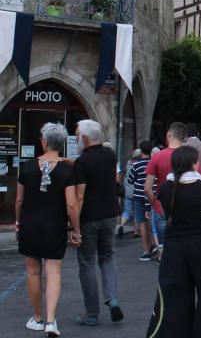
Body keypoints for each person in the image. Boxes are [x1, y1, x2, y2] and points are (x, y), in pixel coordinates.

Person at [146, 146, 201, 338]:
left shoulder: (166, 188)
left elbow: (168, 214)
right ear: (194, 164)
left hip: (174, 247)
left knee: (174, 294)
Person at [15, 123, 80, 337]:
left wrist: (17, 221)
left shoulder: (25, 167)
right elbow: (71, 205)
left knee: (33, 272)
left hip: (30, 224)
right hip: (55, 225)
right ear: (62, 144)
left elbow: (18, 200)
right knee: (54, 272)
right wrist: (75, 228)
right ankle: (51, 321)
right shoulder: (67, 170)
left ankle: (37, 318)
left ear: (44, 141)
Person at [74, 119, 123, 326]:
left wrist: (74, 226)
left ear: (84, 138)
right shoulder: (110, 156)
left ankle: (92, 313)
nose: (76, 138)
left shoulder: (82, 162)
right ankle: (112, 298)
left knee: (87, 263)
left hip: (89, 218)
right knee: (108, 258)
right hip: (110, 214)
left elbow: (79, 197)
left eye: (76, 135)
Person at [145, 122, 188, 261]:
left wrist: (154, 203)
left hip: (162, 205)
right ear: (184, 137)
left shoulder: (157, 157)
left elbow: (147, 188)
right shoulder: (190, 157)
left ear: (169, 135)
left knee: (164, 245)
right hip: (183, 206)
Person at [128, 140, 155, 261]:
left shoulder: (136, 165)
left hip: (139, 197)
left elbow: (130, 180)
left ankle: (146, 250)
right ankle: (155, 244)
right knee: (151, 221)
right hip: (151, 196)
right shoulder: (154, 163)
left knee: (142, 223)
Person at [117, 149, 141, 239]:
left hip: (128, 190)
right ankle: (136, 231)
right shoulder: (140, 165)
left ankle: (121, 225)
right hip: (137, 190)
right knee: (137, 211)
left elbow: (123, 175)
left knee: (127, 210)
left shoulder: (128, 163)